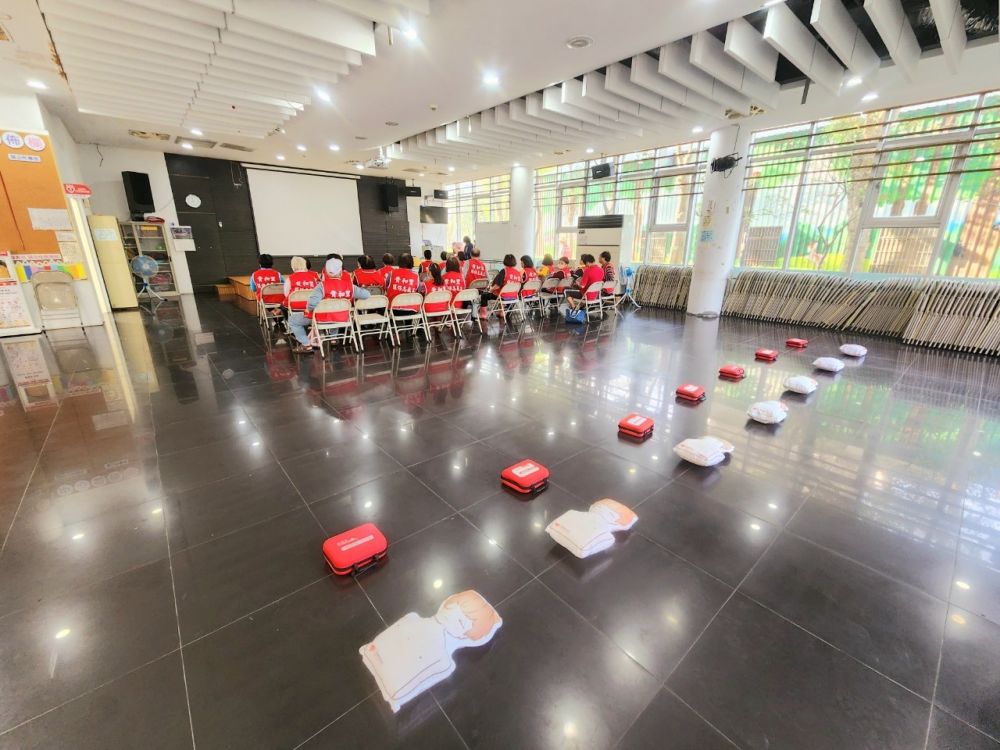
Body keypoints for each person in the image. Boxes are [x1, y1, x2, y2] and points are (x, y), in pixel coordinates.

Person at [288, 257, 371, 353]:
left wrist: (309, 310)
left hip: (323, 319)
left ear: (326, 272)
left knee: (293, 320)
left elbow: (312, 304)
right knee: (335, 312)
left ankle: (306, 345)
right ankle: (333, 339)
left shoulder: (321, 286)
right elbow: (366, 295)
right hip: (343, 318)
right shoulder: (350, 286)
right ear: (341, 272)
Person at [479, 253, 521, 318]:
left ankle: (483, 315)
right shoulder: (518, 273)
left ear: (505, 261)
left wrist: (491, 289)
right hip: (514, 296)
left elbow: (497, 286)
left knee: (484, 295)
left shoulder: (504, 271)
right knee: (501, 294)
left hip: (503, 296)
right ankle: (501, 312)